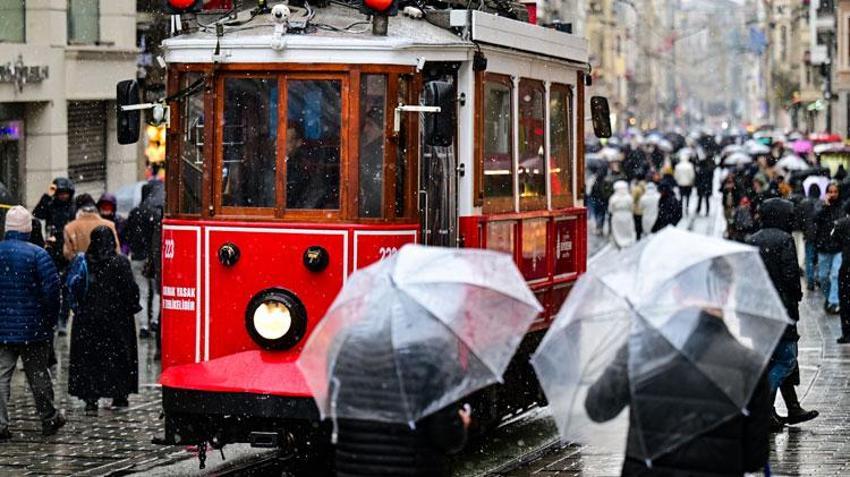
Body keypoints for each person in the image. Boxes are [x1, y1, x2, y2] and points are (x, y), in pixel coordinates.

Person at [584, 299, 770, 474]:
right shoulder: (749, 365)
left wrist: (630, 350)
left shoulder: (642, 348)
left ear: (676, 291)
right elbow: (754, 459)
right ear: (725, 292)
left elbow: (598, 407)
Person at [746, 199, 819, 429]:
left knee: (769, 359)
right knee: (787, 359)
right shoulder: (784, 239)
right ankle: (764, 407)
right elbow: (790, 275)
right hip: (781, 309)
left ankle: (791, 408)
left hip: (760, 310)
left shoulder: (753, 239)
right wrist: (796, 294)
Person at [0, 206, 66, 438]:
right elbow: (52, 291)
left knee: (2, 375)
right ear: (28, 229)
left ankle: (0, 423)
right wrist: (49, 321)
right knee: (38, 374)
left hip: (3, 329)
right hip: (33, 328)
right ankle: (48, 418)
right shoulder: (38, 254)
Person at [68, 226, 141, 415]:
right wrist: (131, 306)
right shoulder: (120, 263)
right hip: (117, 320)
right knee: (118, 358)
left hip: (88, 319)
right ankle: (119, 393)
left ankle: (91, 398)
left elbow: (73, 288)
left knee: (90, 359)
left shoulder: (84, 262)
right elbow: (131, 291)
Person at [33, 177, 75, 332]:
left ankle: (63, 318)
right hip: (52, 250)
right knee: (53, 285)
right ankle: (55, 317)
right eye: (60, 193)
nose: (63, 196)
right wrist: (47, 195)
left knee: (66, 287)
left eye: (66, 193)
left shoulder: (73, 207)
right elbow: (38, 213)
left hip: (68, 250)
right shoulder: (51, 205)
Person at [126, 182, 164, 338]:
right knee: (156, 291)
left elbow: (128, 235)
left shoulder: (134, 213)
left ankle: (143, 325)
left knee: (142, 293)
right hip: (153, 257)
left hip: (137, 257)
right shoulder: (156, 213)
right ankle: (155, 320)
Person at [63, 194, 120, 262]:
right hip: (106, 269)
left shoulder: (70, 227)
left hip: (83, 270)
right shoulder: (110, 225)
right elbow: (117, 251)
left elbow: (68, 254)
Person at [815, 183, 843, 314]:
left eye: (835, 192)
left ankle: (834, 302)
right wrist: (824, 207)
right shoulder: (821, 206)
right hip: (824, 248)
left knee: (835, 275)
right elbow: (815, 219)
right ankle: (829, 299)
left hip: (838, 247)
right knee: (823, 277)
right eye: (830, 192)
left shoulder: (842, 208)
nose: (833, 194)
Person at [796, 184, 822, 290]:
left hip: (809, 235)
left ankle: (810, 281)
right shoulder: (821, 203)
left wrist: (804, 231)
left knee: (809, 258)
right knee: (820, 258)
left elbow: (800, 220)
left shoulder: (804, 203)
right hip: (821, 235)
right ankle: (818, 278)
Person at [609, 181, 637, 248]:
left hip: (617, 216)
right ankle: (628, 242)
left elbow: (610, 209)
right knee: (627, 229)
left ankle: (619, 242)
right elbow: (632, 207)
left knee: (618, 230)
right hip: (627, 215)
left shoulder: (613, 198)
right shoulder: (629, 197)